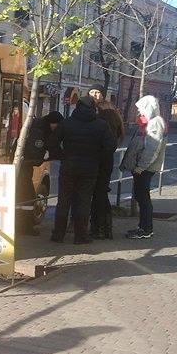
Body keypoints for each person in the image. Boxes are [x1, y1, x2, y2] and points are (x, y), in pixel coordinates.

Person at [51, 93, 116, 244]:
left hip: (68, 166)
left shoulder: (67, 123)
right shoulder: (101, 125)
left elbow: (52, 143)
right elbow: (110, 146)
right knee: (84, 201)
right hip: (90, 168)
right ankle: (81, 236)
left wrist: (62, 155)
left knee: (63, 200)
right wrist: (98, 157)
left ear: (77, 107)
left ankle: (58, 234)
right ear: (93, 108)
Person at [120, 95, 167, 239]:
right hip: (143, 168)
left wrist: (140, 167)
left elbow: (152, 148)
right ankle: (144, 227)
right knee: (141, 196)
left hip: (145, 169)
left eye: (141, 108)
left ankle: (146, 229)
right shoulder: (150, 122)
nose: (139, 111)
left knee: (143, 197)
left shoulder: (155, 123)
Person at [15, 111, 63, 236]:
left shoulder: (39, 126)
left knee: (25, 196)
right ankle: (24, 227)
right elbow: (35, 154)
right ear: (53, 124)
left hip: (23, 166)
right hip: (23, 166)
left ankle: (23, 226)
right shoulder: (39, 131)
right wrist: (46, 156)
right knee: (27, 197)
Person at [88, 88, 125, 239]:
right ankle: (105, 228)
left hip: (98, 161)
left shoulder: (101, 122)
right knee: (101, 194)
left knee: (96, 195)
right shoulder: (115, 122)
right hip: (107, 162)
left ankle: (98, 228)